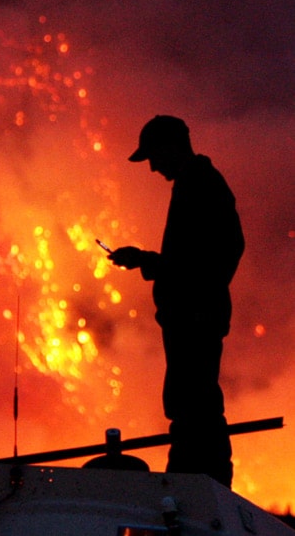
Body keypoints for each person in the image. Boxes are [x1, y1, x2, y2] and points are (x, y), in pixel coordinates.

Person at [108, 115, 244, 488]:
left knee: (194, 405)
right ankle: (192, 478)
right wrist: (149, 261)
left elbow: (215, 253)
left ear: (171, 146)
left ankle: (199, 484)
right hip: (192, 315)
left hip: (195, 318)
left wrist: (158, 267)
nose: (152, 166)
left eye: (153, 155)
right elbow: (194, 258)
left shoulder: (201, 184)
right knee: (189, 403)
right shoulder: (194, 184)